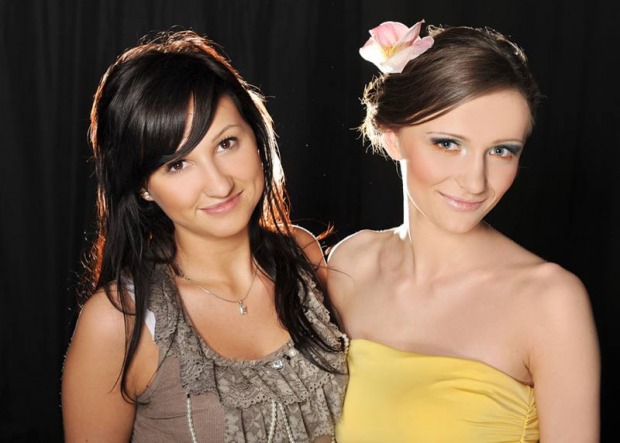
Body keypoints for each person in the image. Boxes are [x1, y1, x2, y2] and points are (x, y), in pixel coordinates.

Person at [62, 29, 348, 443]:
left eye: (226, 143)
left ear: (255, 136)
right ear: (143, 186)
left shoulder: (303, 255)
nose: (219, 184)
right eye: (177, 164)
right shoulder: (117, 323)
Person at [328, 20, 600, 442]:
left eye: (501, 151)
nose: (475, 182)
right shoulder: (351, 264)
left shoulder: (549, 302)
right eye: (448, 143)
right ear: (392, 137)